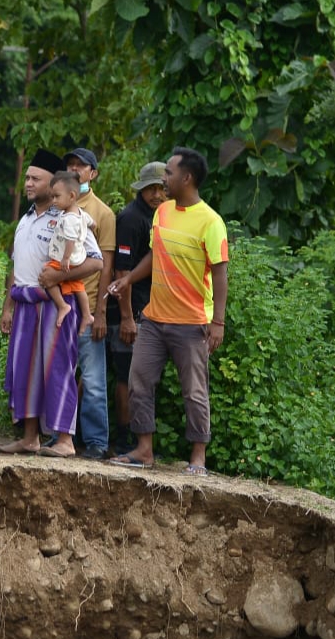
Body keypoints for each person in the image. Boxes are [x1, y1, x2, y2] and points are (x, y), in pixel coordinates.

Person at [107, 147, 228, 476]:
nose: (164, 181)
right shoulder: (162, 213)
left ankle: (198, 457)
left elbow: (220, 274)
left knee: (194, 390)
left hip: (192, 322)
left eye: (169, 174)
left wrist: (218, 322)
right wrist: (129, 278)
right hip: (154, 318)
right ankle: (144, 450)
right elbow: (154, 255)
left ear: (186, 178)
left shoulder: (211, 222)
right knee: (139, 380)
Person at [0, 149, 103, 457]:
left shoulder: (70, 218)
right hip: (24, 304)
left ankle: (65, 441)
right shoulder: (25, 219)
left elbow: (96, 261)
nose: (28, 183)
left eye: (36, 179)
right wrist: (7, 307)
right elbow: (17, 266)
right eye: (27, 178)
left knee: (57, 370)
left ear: (54, 184)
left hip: (56, 306)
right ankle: (29, 437)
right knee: (25, 371)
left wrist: (57, 277)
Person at [107, 161, 166, 453]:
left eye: (161, 188)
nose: (157, 194)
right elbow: (122, 271)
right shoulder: (132, 218)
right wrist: (127, 317)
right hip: (129, 309)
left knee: (139, 375)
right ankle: (123, 440)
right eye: (151, 188)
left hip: (150, 307)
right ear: (141, 189)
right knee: (126, 374)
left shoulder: (161, 216)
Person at [63, 147, 117, 459]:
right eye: (70, 165)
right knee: (60, 375)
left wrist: (101, 314)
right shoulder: (57, 204)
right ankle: (60, 437)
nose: (74, 170)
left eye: (80, 166)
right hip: (59, 305)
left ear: (92, 173)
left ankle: (96, 443)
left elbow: (106, 266)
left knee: (94, 381)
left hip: (89, 306)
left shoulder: (103, 213)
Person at [43, 171, 94, 330]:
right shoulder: (80, 213)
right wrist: (92, 227)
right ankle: (87, 314)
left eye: (57, 196)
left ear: (71, 196)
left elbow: (70, 240)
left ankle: (62, 305)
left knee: (46, 275)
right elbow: (92, 223)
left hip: (67, 259)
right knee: (78, 285)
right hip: (78, 258)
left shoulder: (69, 218)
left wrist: (65, 258)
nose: (53, 201)